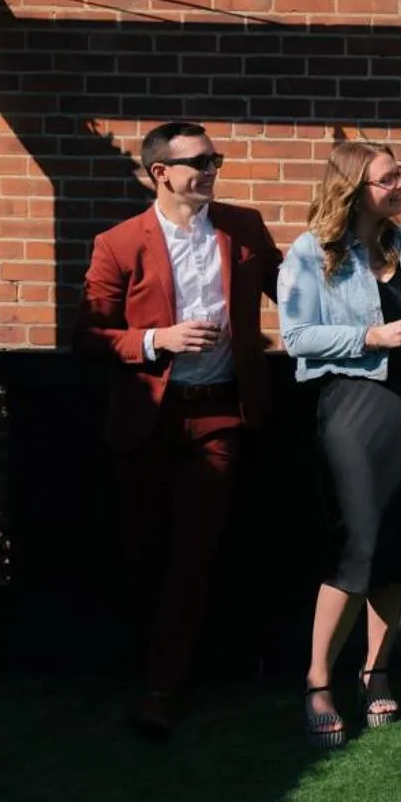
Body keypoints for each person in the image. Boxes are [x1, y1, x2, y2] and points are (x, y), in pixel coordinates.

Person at [77, 122, 282, 740]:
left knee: (194, 550)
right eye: (198, 161)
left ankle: (163, 688)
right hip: (150, 418)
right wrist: (154, 341)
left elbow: (295, 294)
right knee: (144, 549)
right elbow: (87, 335)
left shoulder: (242, 227)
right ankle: (148, 666)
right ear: (159, 172)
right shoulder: (118, 243)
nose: (211, 170)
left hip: (220, 414)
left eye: (215, 159)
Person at [279, 141, 401, 748]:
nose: (400, 187)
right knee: (359, 544)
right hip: (354, 405)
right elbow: (295, 336)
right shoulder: (312, 253)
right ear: (354, 188)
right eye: (389, 179)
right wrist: (368, 334)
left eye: (400, 176)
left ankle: (376, 671)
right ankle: (317, 680)